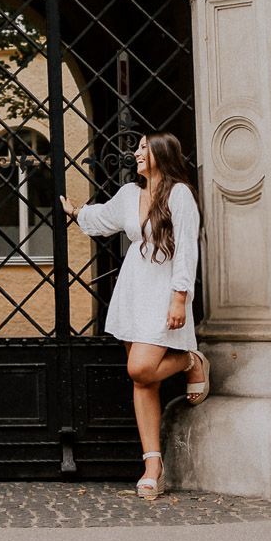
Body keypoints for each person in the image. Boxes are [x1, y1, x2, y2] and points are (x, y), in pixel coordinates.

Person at [60, 131, 207, 500]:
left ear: (161, 153)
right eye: (138, 147)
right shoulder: (129, 194)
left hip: (165, 291)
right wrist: (77, 211)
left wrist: (179, 298)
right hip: (134, 290)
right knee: (143, 382)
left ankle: (191, 359)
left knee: (140, 368)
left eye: (144, 147)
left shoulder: (180, 195)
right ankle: (152, 465)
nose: (137, 153)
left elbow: (187, 249)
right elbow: (103, 219)